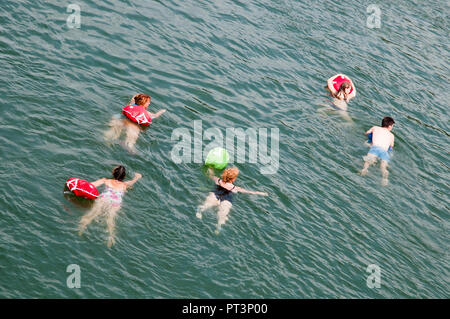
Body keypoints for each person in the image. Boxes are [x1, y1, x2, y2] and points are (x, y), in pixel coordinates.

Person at [78, 166, 142, 247]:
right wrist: (137, 177)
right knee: (110, 220)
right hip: (116, 203)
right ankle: (110, 237)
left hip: (104, 199)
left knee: (91, 214)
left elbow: (90, 185)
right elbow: (133, 181)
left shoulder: (105, 180)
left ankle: (81, 229)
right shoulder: (125, 185)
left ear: (113, 172)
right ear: (124, 177)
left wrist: (77, 186)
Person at [196, 167, 268, 233]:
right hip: (226, 199)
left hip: (216, 194)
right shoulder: (235, 188)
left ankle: (200, 211)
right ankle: (218, 227)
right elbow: (249, 192)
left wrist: (210, 169)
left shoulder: (218, 180)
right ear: (233, 179)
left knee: (206, 205)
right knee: (222, 215)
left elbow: (210, 175)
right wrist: (261, 193)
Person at [360, 117, 395, 186]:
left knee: (368, 161)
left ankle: (364, 170)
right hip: (384, 152)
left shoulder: (375, 128)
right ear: (390, 126)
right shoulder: (391, 135)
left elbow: (366, 133)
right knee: (383, 167)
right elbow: (391, 146)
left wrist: (369, 137)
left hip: (375, 148)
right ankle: (385, 179)